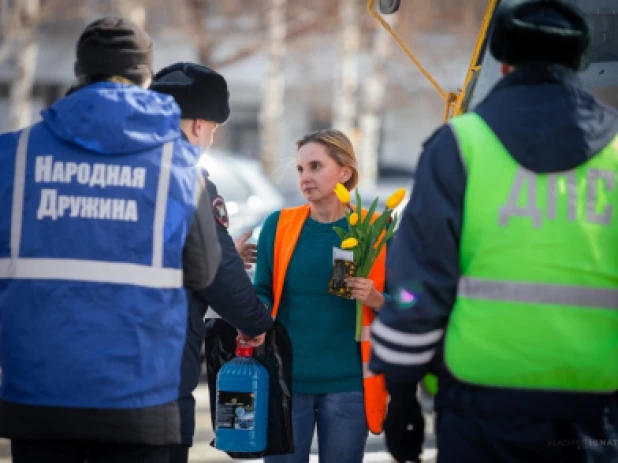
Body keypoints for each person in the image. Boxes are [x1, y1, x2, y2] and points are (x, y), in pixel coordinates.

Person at [369, 1, 618, 462]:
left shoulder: (459, 146)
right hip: (595, 407)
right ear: (580, 61)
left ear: (502, 63)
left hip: (482, 406)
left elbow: (417, 285)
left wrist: (401, 394)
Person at [0, 17, 222, 463]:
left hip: (38, 395)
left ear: (79, 74)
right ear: (145, 79)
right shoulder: (179, 167)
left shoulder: (14, 155)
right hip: (138, 397)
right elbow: (202, 270)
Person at [150, 62, 273, 463]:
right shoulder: (188, 178)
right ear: (200, 125)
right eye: (215, 129)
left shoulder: (104, 167)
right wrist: (255, 323)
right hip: (160, 367)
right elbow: (216, 272)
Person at [253, 129, 389, 463]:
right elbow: (263, 292)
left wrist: (377, 299)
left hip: (349, 384)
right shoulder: (279, 225)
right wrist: (250, 312)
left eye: (316, 166)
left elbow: (412, 300)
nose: (305, 177)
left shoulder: (376, 229)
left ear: (345, 172)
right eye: (300, 169)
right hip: (286, 381)